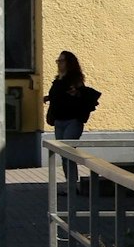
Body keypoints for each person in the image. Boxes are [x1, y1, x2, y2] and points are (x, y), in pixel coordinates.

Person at [43, 51, 100, 191]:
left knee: (69, 152)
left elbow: (83, 95)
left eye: (61, 60)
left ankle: (73, 185)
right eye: (58, 60)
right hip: (59, 121)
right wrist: (48, 98)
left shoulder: (74, 79)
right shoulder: (58, 80)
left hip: (72, 120)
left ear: (69, 62)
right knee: (64, 154)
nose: (58, 63)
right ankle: (71, 185)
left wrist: (77, 93)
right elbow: (58, 95)